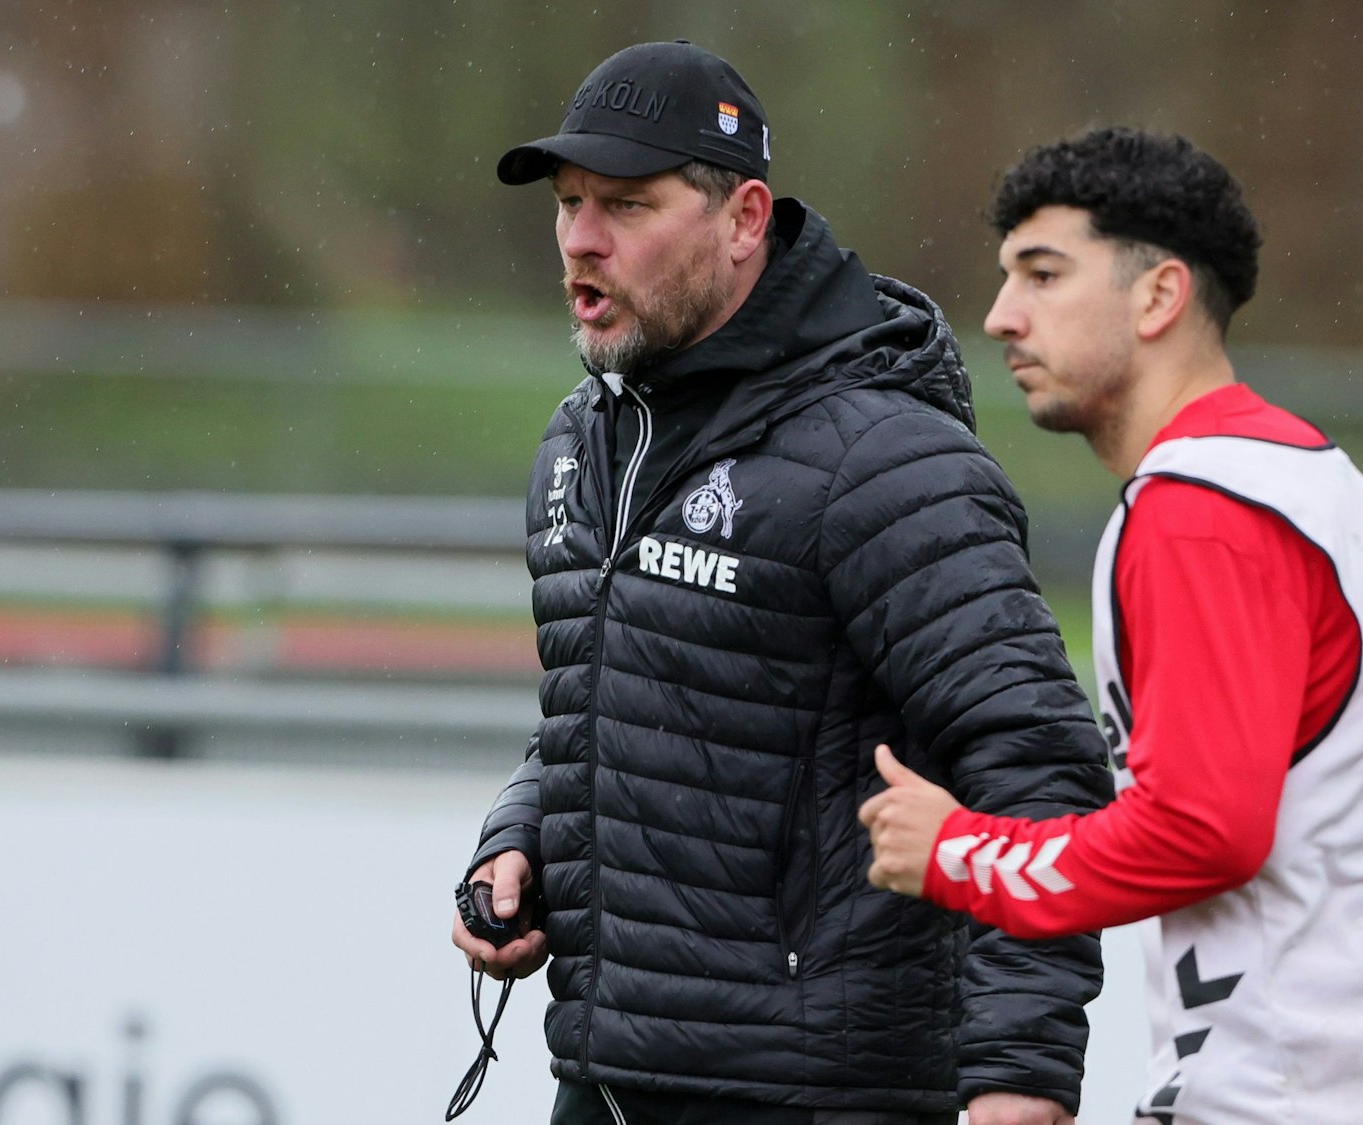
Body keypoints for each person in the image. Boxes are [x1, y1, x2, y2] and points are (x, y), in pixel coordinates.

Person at [451, 42, 1114, 1125]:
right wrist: (517, 837)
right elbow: (604, 705)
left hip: (812, 1093)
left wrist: (1019, 1075)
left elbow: (1034, 763)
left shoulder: (884, 458)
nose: (580, 237)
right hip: (604, 1075)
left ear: (744, 218)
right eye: (569, 203)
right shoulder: (584, 436)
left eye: (625, 203)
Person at [860, 127, 1363, 1124]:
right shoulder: (1323, 483)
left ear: (1158, 296)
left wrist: (962, 852)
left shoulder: (1195, 510)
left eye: (1042, 275)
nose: (1002, 316)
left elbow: (1200, 830)